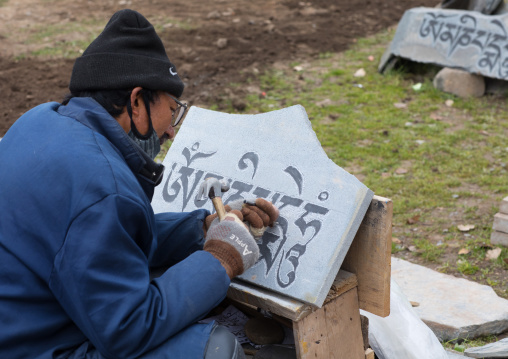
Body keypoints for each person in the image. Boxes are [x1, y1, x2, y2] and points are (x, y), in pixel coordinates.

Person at [0, 9, 278, 359]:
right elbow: (127, 329)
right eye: (172, 109)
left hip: (26, 323)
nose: (171, 130)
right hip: (36, 349)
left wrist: (202, 228)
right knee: (213, 349)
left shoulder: (39, 121)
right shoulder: (103, 187)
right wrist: (220, 260)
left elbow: (102, 237)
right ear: (135, 101)